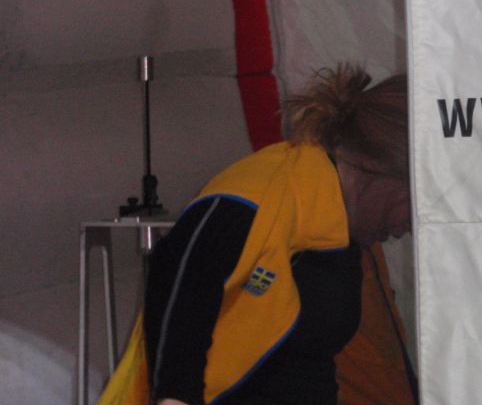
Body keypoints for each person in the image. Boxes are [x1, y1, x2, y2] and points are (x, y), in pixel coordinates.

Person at [98, 64, 411, 405]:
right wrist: (175, 398)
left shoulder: (343, 228)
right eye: (412, 204)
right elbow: (177, 270)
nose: (410, 226)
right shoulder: (264, 195)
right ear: (382, 168)